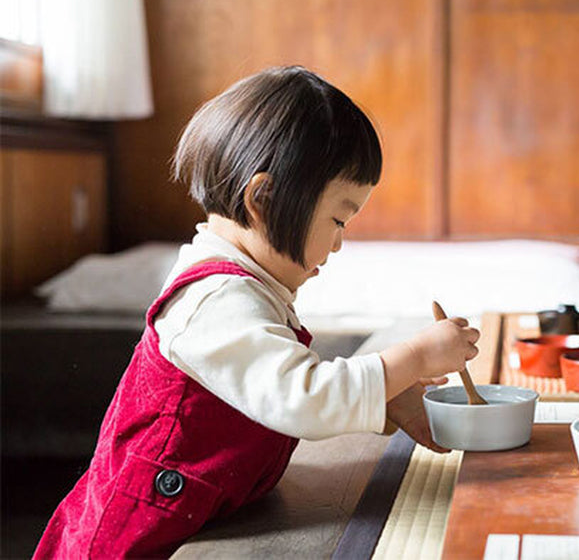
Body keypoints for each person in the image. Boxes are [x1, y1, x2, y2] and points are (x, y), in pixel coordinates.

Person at [34, 65, 480, 559]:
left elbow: (273, 383)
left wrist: (389, 397)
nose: (337, 244)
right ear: (263, 198)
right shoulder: (214, 300)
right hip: (138, 538)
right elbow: (301, 397)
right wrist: (412, 358)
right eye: (337, 219)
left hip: (202, 513)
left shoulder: (248, 286)